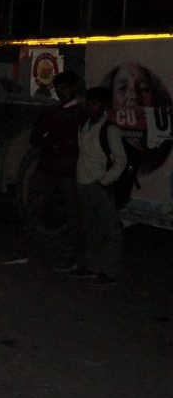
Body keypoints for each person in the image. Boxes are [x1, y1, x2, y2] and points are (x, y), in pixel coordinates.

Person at [2, 71, 85, 268]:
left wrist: (52, 139)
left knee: (73, 215)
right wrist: (56, 140)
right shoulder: (52, 112)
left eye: (64, 88)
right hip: (47, 168)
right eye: (58, 88)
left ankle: (69, 257)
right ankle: (22, 250)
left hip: (67, 171)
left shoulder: (80, 115)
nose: (61, 92)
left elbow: (74, 143)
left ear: (74, 89)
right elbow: (35, 138)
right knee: (32, 210)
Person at [72, 86, 127, 286]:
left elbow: (120, 160)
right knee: (91, 228)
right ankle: (92, 266)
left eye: (94, 102)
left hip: (99, 185)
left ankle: (110, 271)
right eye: (88, 102)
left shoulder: (110, 130)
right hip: (84, 183)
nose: (89, 106)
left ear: (103, 106)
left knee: (110, 229)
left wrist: (104, 181)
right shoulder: (84, 126)